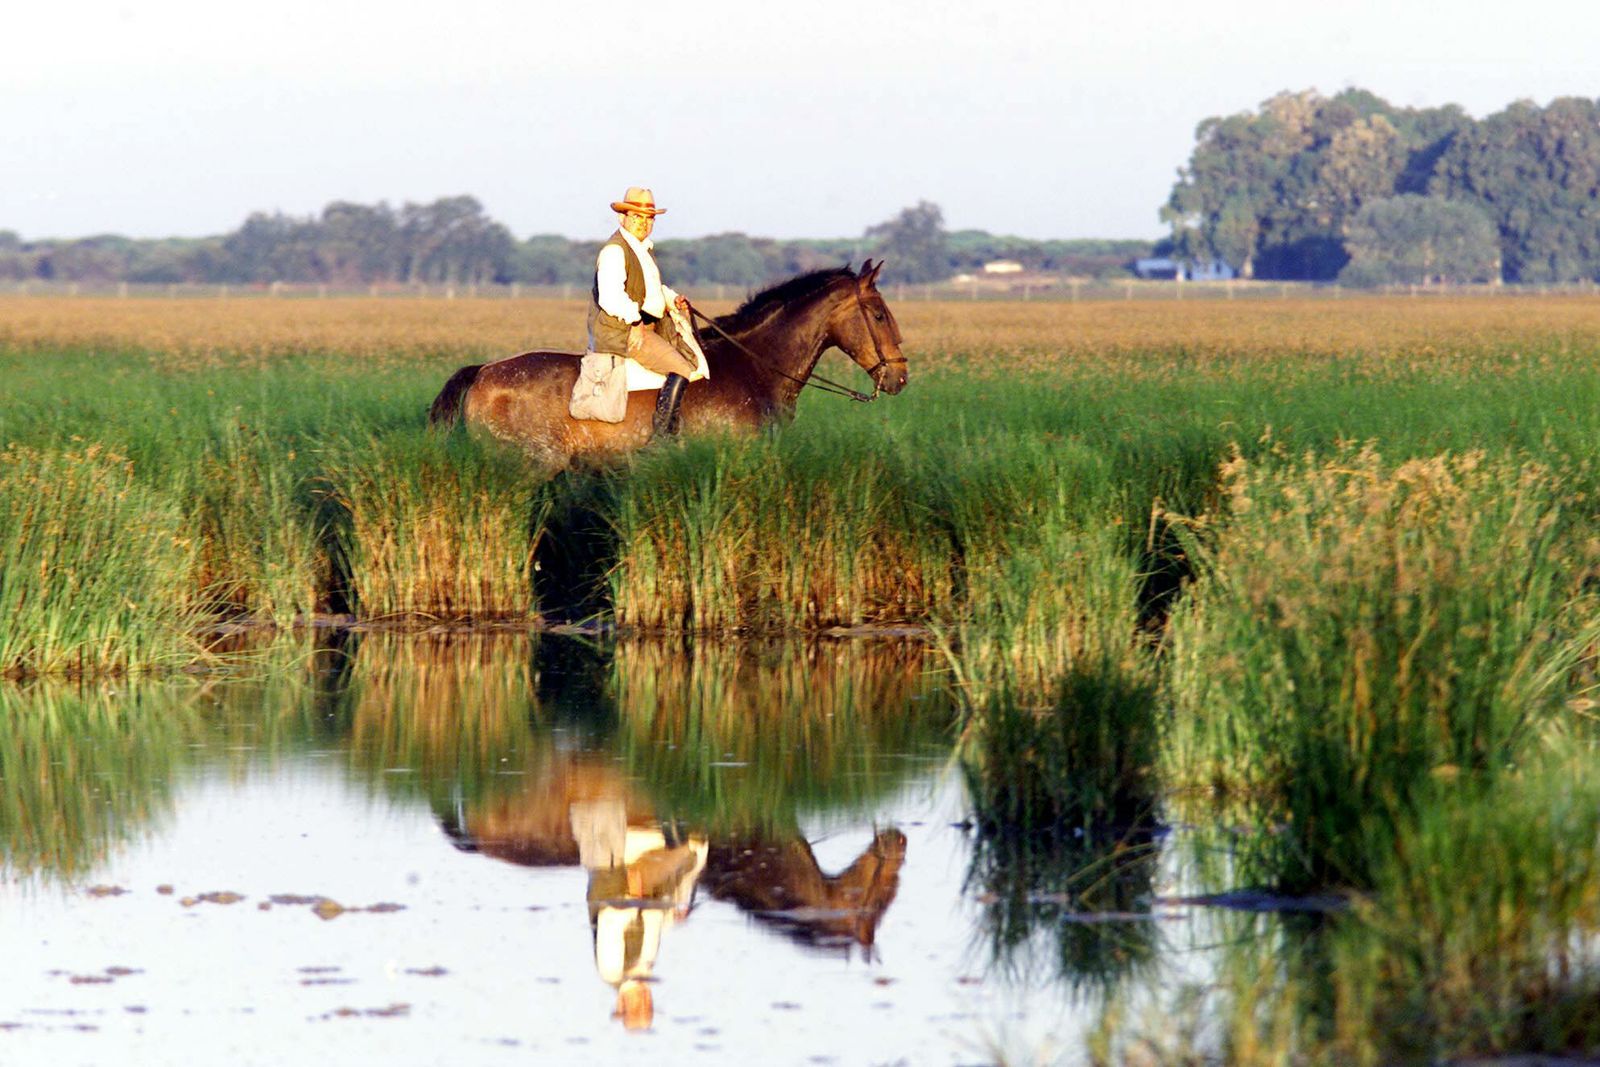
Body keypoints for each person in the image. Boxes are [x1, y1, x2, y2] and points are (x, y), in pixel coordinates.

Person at [588, 186, 700, 437]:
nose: (644, 223)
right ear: (622, 217)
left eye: (649, 218)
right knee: (683, 369)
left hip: (644, 325)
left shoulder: (642, 249)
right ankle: (664, 435)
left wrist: (673, 299)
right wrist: (636, 321)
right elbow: (611, 296)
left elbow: (650, 289)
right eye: (637, 217)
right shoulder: (615, 251)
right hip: (624, 331)